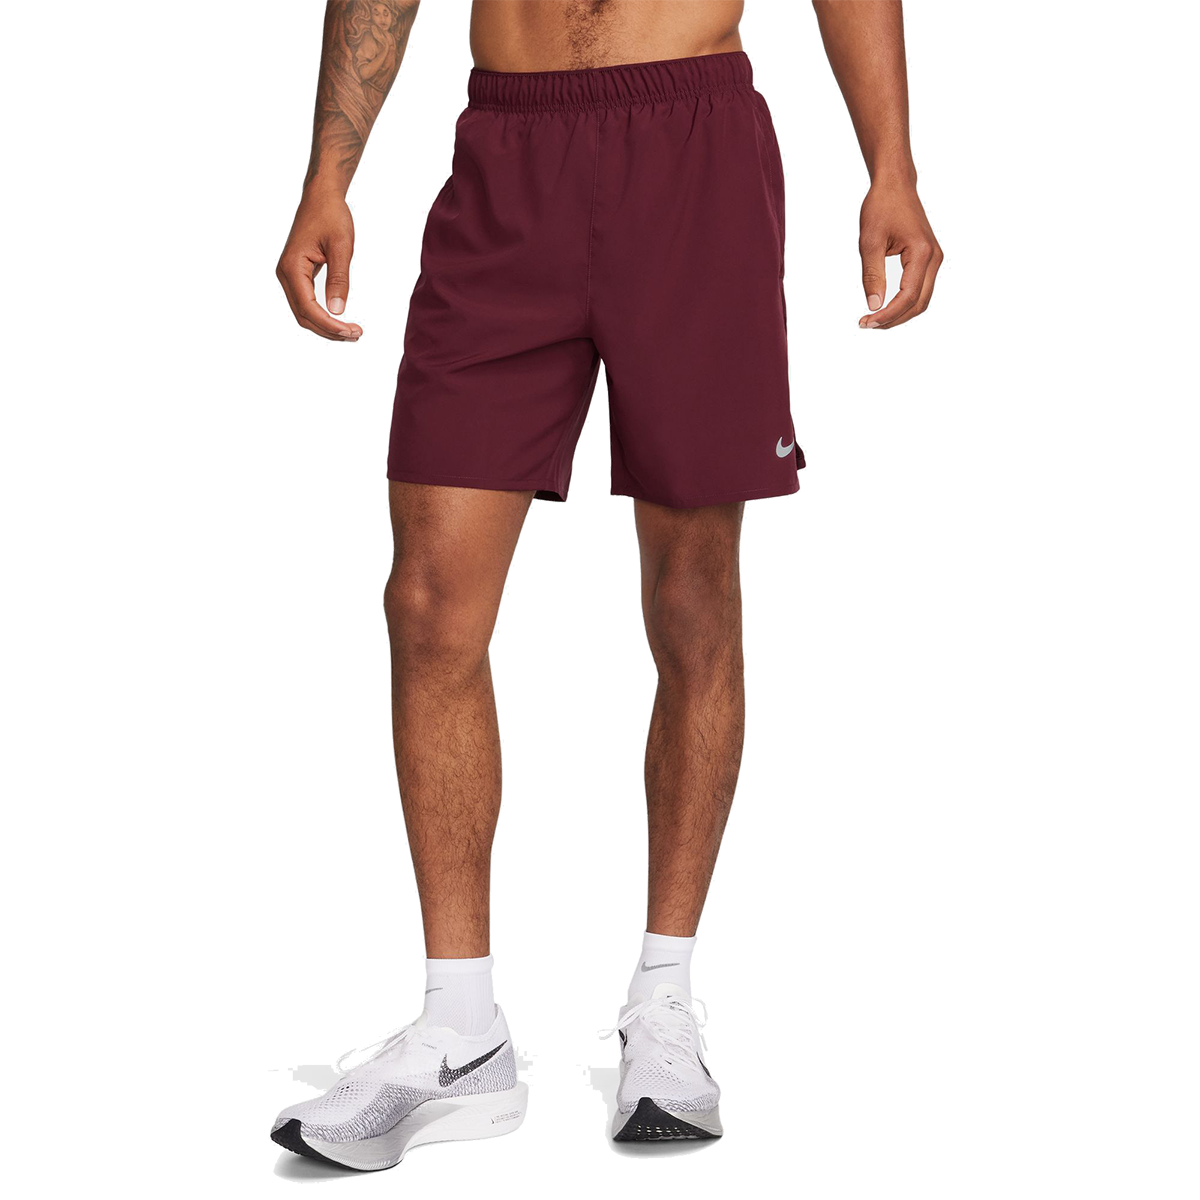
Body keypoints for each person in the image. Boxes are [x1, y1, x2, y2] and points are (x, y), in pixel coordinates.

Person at [272, 0, 942, 1167]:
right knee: (428, 605)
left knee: (692, 599)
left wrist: (893, 166)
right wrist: (328, 174)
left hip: (690, 144)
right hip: (506, 154)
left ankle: (663, 1002)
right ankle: (460, 1028)